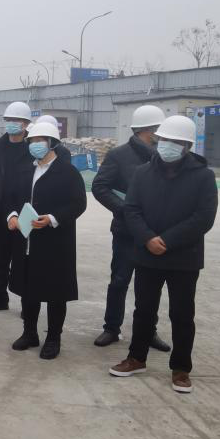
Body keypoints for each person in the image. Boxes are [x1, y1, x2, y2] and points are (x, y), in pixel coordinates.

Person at [109, 116, 218, 393]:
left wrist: (168, 241)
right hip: (147, 254)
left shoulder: (203, 176)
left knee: (182, 314)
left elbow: (204, 217)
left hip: (184, 257)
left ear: (187, 146)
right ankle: (136, 358)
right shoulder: (143, 173)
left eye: (175, 141)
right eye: (164, 140)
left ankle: (181, 368)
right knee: (144, 310)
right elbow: (132, 209)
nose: (167, 145)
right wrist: (147, 238)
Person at [5, 119, 88, 359]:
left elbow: (78, 203)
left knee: (55, 292)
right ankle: (29, 332)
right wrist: (12, 215)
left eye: (40, 140)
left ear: (52, 143)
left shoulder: (68, 172)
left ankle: (53, 338)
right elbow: (11, 197)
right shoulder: (25, 170)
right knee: (28, 289)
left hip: (55, 242)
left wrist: (52, 218)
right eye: (32, 140)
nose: (35, 144)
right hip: (26, 240)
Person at [91, 104, 171, 351]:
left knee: (150, 287)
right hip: (126, 232)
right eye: (159, 130)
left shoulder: (165, 156)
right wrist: (125, 210)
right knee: (119, 280)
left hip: (156, 233)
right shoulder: (119, 155)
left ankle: (148, 331)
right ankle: (111, 328)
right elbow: (100, 186)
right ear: (149, 130)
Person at [0, 101, 34, 311]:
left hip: (27, 210)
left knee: (23, 258)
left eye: (17, 120)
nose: (12, 123)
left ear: (26, 124)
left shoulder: (33, 147)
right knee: (1, 257)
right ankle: (0, 296)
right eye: (9, 120)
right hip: (2, 209)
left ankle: (26, 301)